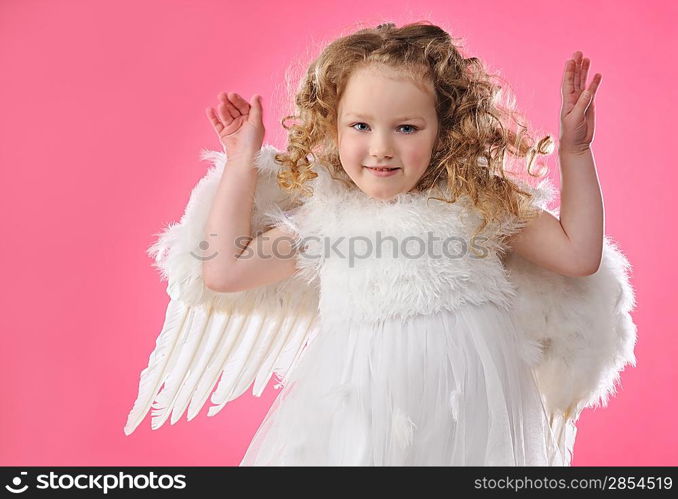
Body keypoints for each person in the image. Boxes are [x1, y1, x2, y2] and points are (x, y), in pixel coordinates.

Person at [124, 21, 637, 466]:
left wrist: (575, 151)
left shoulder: (477, 202)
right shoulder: (329, 218)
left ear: (445, 131)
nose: (381, 148)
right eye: (361, 126)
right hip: (360, 409)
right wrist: (240, 161)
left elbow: (578, 255)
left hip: (467, 410)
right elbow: (225, 272)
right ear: (334, 127)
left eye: (407, 127)